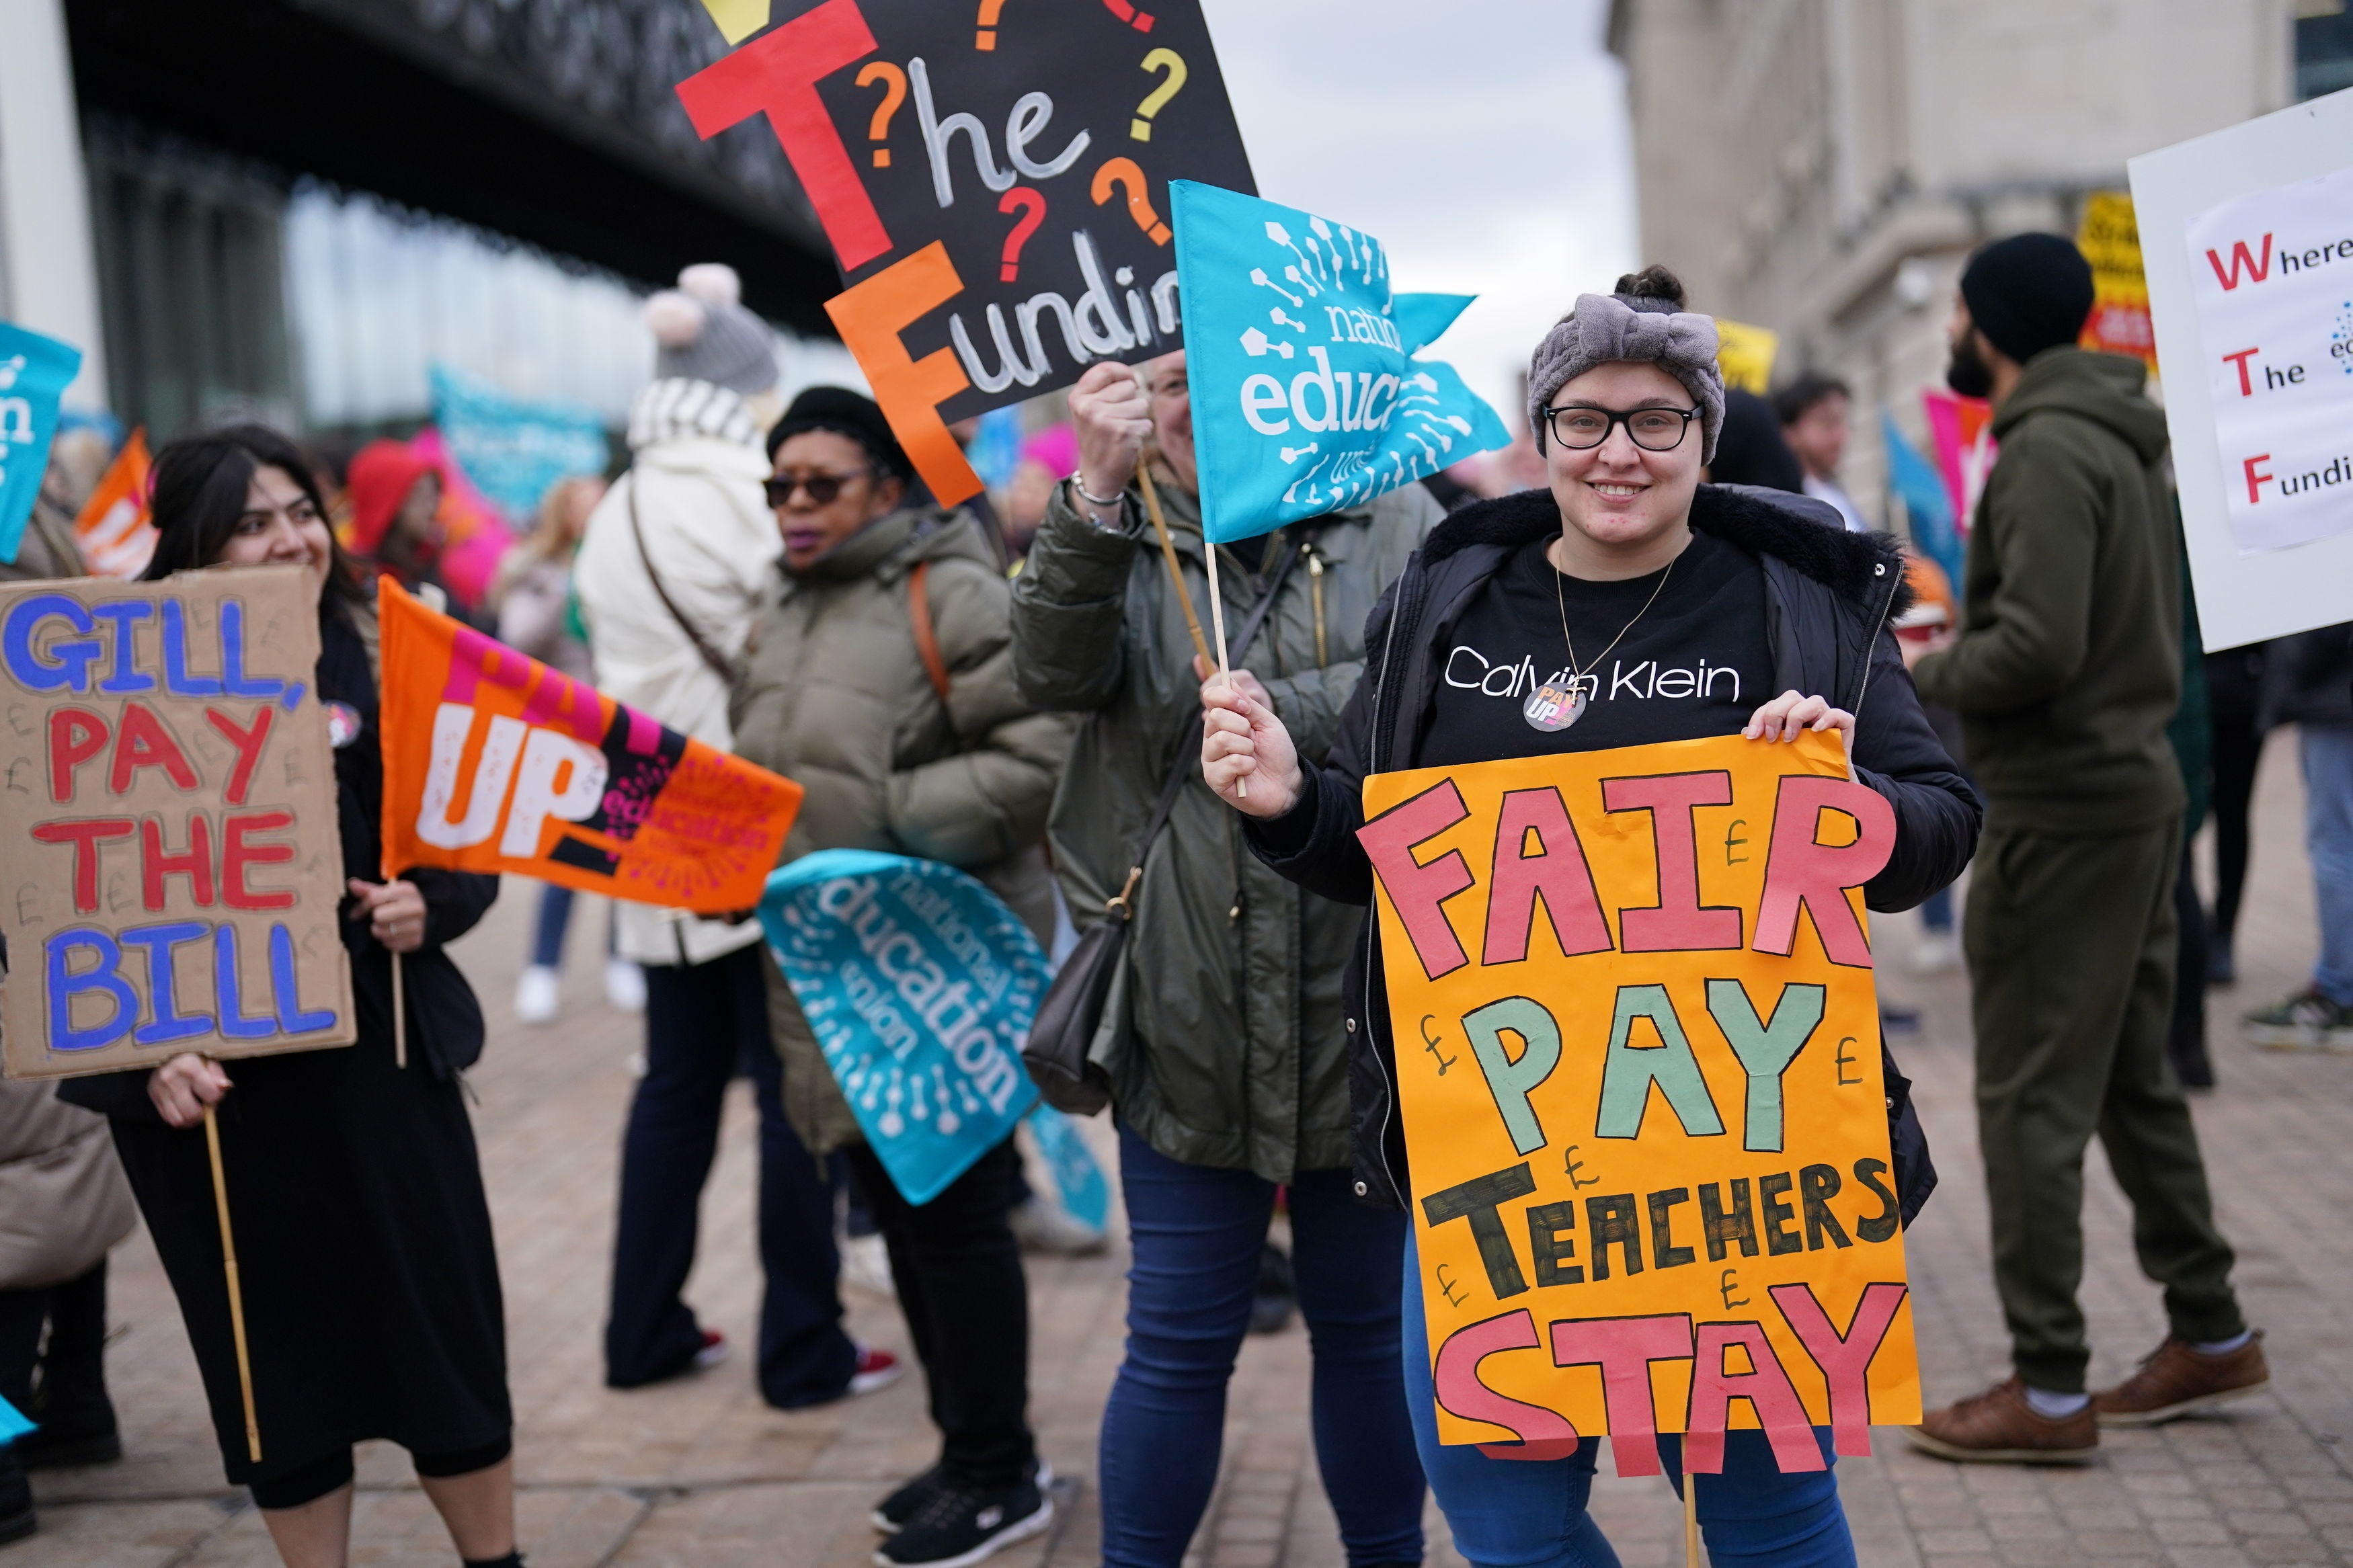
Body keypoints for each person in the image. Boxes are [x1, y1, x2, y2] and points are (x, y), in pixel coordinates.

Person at [1202, 267, 1977, 1565]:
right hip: (1494, 1160)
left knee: (1767, 1517)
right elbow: (1380, 851)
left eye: (1656, 419)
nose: (1619, 450)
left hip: (1740, 1163)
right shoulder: (1448, 600)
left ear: (1704, 436)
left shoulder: (1798, 601)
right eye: (1585, 418)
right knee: (1503, 1523)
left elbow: (1938, 825)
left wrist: (1843, 801)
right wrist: (1288, 802)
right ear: (1544, 429)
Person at [54, 425, 518, 1568]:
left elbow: (469, 846)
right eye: (253, 522)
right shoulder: (117, 677)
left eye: (301, 511)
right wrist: (141, 1054)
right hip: (220, 1106)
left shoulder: (396, 649)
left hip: (382, 1064)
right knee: (276, 1365)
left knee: (442, 1331)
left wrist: (432, 903)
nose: (289, 539)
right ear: (197, 548)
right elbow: (58, 910)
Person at [1010, 351, 1442, 1568]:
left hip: (1366, 995)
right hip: (1184, 1001)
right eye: (1158, 375)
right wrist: (1092, 499)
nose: (1185, 400)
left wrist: (1272, 715)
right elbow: (1048, 673)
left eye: (1218, 365)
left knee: (1367, 1334)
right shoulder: (1115, 518)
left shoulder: (1393, 506)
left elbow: (1432, 677)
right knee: (1177, 1335)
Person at [1906, 233, 2265, 1461]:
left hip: (2065, 812)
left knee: (2025, 1102)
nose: (1952, 332)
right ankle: (2209, 1326)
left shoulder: (2046, 449)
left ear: (1993, 326)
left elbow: (2040, 650)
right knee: (2124, 1078)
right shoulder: (2111, 434)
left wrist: (1918, 666)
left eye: (1959, 312)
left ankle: (2047, 1389)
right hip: (2128, 796)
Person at [729, 386, 1072, 1568]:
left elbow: (1039, 753)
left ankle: (1000, 1468)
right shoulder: (781, 599)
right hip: (827, 972)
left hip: (936, 967)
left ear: (887, 482)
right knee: (902, 1212)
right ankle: (965, 1446)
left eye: (820, 481)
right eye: (778, 485)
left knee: (958, 1218)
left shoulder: (953, 586)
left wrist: (879, 821)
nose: (795, 505)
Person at [573, 265, 894, 1407]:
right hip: (747, 810)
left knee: (675, 1089)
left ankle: (639, 1325)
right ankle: (803, 1346)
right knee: (792, 1094)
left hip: (641, 819)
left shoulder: (612, 503)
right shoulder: (746, 487)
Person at [490, 475, 646, 1026]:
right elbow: (517, 640)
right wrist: (568, 590)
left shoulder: (630, 562)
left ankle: (621, 957)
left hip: (624, 723)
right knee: (568, 851)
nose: (595, 514)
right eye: (585, 507)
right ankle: (542, 968)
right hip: (567, 732)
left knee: (620, 844)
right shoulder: (537, 572)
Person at [0, 1077, 138, 1543]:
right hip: (69, 1119)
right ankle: (76, 1405)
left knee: (15, 1259)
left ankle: (3, 1474)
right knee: (62, 1215)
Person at [2243, 624, 2353, 1046]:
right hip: (2334, 693)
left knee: (2335, 845)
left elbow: (2315, 633)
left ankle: (2339, 993)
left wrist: (2287, 677)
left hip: (2336, 696)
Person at [2202, 639, 2268, 983]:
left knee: (2232, 819)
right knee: (2181, 823)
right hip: (2186, 693)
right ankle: (2192, 928)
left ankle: (2223, 933)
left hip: (2241, 697)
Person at [345, 438, 447, 602]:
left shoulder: (424, 560)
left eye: (434, 495)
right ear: (387, 504)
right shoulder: (361, 583)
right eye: (421, 497)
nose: (433, 509)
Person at [1775, 372, 1869, 532]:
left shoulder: (1837, 493)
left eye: (1843, 422)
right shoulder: (1784, 500)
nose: (1840, 436)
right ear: (1789, 433)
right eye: (1827, 423)